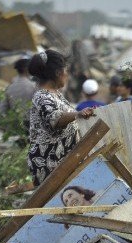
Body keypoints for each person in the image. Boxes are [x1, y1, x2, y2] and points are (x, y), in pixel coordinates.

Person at [27, 49, 95, 187]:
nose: (67, 74)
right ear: (58, 72)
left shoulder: (55, 94)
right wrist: (78, 114)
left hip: (64, 162)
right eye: (66, 71)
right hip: (50, 163)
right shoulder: (41, 96)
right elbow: (55, 119)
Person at [0, 57, 37, 130]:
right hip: (32, 128)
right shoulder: (34, 86)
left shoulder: (9, 88)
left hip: (15, 127)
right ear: (26, 69)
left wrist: (5, 127)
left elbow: (1, 110)